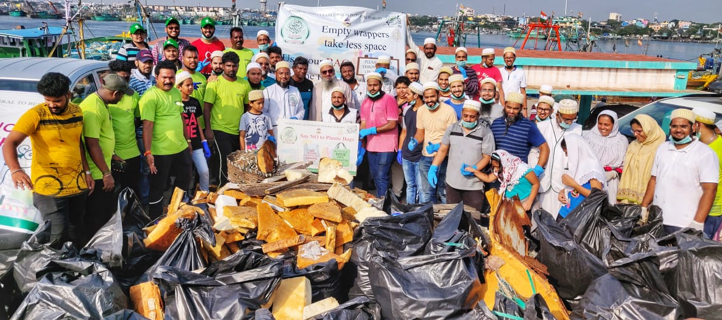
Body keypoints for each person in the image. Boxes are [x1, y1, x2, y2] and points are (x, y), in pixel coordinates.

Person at [2, 73, 93, 248]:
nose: (52, 105)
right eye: (47, 100)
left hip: (77, 184)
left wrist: (87, 172)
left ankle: (73, 268)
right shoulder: (35, 115)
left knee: (76, 230)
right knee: (56, 235)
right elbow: (9, 143)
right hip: (50, 189)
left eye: (57, 100)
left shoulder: (77, 111)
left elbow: (78, 144)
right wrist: (16, 170)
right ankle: (52, 271)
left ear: (68, 94)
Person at [642, 109, 719, 234]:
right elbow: (654, 180)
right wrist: (644, 207)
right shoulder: (663, 148)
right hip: (658, 220)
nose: (678, 130)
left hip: (685, 223)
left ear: (693, 127)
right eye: (674, 126)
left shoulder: (705, 153)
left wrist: (698, 222)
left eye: (683, 126)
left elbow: (710, 190)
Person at [81, 73, 132, 241]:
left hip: (103, 166)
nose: (122, 98)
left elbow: (103, 137)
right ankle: (93, 249)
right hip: (96, 174)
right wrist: (106, 173)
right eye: (123, 94)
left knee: (103, 213)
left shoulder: (102, 103)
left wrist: (112, 155)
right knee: (96, 216)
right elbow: (91, 143)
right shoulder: (93, 109)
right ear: (116, 93)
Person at [139, 61, 193, 219]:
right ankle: (155, 219)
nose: (168, 80)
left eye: (171, 77)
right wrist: (148, 152)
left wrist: (188, 141)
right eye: (164, 77)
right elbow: (147, 126)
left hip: (180, 147)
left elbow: (181, 117)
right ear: (156, 77)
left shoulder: (176, 93)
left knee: (185, 179)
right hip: (160, 151)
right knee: (158, 186)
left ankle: (176, 211)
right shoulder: (150, 96)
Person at [429, 100, 494, 212]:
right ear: (462, 114)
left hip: (473, 184)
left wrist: (474, 169)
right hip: (452, 182)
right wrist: (433, 167)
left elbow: (487, 157)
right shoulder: (452, 128)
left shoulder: (485, 132)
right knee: (453, 217)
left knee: (473, 218)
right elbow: (443, 150)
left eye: (472, 117)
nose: (468, 119)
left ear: (478, 116)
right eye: (465, 116)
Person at [203, 52, 252, 185]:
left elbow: (248, 107)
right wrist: (208, 129)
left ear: (238, 66)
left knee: (236, 163)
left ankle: (233, 192)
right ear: (223, 66)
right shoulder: (214, 83)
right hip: (219, 129)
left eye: (234, 66)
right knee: (224, 163)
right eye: (228, 65)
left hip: (238, 132)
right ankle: (220, 192)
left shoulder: (244, 84)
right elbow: (206, 107)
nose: (231, 69)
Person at [533, 99, 583, 218]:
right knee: (540, 217)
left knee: (558, 219)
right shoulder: (541, 127)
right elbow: (534, 152)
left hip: (563, 183)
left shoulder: (578, 130)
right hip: (542, 179)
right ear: (557, 115)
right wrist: (534, 170)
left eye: (573, 119)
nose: (570, 122)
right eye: (566, 119)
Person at [413, 82, 458, 204]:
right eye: (426, 97)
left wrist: (439, 146)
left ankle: (447, 221)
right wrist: (415, 140)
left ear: (438, 95)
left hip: (444, 157)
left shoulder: (449, 111)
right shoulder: (421, 110)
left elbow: (453, 138)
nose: (429, 100)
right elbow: (420, 133)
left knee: (444, 192)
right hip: (426, 156)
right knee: (426, 192)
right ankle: (428, 220)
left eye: (432, 96)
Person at [359, 72, 398, 198]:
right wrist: (361, 144)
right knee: (375, 177)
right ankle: (383, 201)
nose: (372, 88)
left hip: (387, 145)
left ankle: (384, 206)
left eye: (375, 85)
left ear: (380, 85)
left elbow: (392, 124)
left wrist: (372, 130)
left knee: (382, 176)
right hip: (371, 146)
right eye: (370, 85)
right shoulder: (365, 102)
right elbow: (363, 123)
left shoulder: (389, 99)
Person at [108, 61, 142, 199]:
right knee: (112, 192)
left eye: (127, 78)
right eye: (122, 78)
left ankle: (131, 218)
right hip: (111, 154)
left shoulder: (133, 95)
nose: (125, 82)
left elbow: (138, 118)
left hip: (132, 152)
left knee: (132, 189)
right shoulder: (104, 98)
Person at [466, 150, 540, 211]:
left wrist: (529, 202)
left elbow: (536, 184)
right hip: (510, 202)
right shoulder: (502, 171)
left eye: (497, 167)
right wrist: (474, 171)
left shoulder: (523, 169)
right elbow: (488, 178)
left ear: (505, 163)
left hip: (525, 200)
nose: (496, 169)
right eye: (494, 167)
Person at [491, 91, 549, 168]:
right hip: (497, 173)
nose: (511, 111)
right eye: (509, 107)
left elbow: (544, 148)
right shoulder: (496, 124)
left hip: (518, 175)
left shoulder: (528, 126)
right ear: (504, 105)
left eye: (515, 109)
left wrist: (538, 169)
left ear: (521, 108)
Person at [617, 114, 665, 205]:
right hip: (628, 198)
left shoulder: (661, 148)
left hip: (649, 199)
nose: (635, 134)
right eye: (633, 131)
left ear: (649, 129)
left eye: (639, 131)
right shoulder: (633, 145)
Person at [583, 110, 628, 205]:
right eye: (600, 124)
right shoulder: (589, 137)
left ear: (614, 124)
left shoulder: (621, 140)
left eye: (607, 125)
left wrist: (613, 173)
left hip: (611, 182)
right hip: (591, 180)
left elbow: (624, 163)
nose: (602, 127)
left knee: (607, 207)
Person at [176, 71, 210, 192]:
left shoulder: (195, 102)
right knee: (185, 173)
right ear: (178, 87)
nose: (191, 88)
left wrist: (203, 141)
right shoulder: (175, 103)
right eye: (187, 85)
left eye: (192, 85)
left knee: (204, 171)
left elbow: (197, 123)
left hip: (196, 142)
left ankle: (204, 193)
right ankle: (183, 197)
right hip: (182, 144)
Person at [557, 134, 606, 219]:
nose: (566, 156)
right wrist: (562, 191)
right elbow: (578, 184)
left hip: (580, 217)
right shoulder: (577, 165)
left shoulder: (593, 168)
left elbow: (596, 195)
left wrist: (574, 185)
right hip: (566, 212)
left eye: (567, 152)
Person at [692, 108, 722, 238]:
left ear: (698, 125)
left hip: (712, 208)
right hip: (692, 204)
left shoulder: (719, 146)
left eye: (691, 123)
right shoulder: (695, 145)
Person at [398, 82, 424, 204]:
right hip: (407, 154)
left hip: (420, 155)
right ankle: (408, 211)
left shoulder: (425, 111)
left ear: (416, 96)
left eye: (408, 93)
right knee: (410, 185)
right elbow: (404, 131)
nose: (405, 96)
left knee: (421, 187)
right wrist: (400, 150)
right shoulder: (407, 110)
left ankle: (420, 212)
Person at [263, 61, 304, 135]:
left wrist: (296, 118)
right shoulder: (268, 91)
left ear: (290, 75)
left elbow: (301, 109)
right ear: (275, 74)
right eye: (281, 73)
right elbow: (264, 112)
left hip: (292, 130)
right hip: (274, 131)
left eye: (287, 74)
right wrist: (269, 129)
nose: (284, 76)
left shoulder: (295, 90)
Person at [499, 47, 528, 114]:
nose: (509, 59)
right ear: (504, 58)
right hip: (502, 106)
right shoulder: (499, 71)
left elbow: (523, 92)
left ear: (514, 58)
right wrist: (503, 105)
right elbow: (499, 89)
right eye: (507, 58)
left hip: (515, 107)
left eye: (511, 57)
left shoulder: (521, 72)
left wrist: (525, 109)